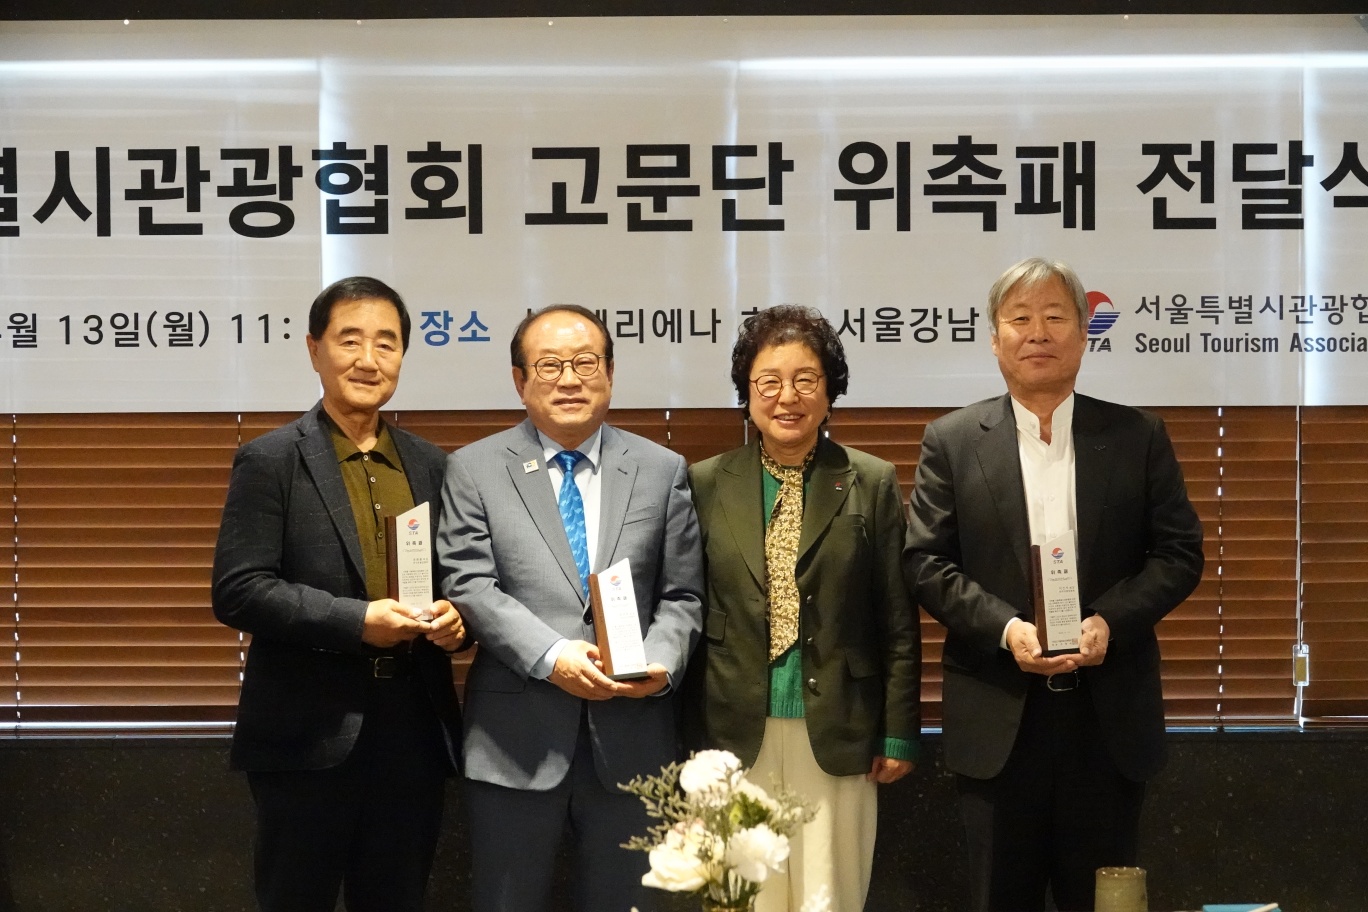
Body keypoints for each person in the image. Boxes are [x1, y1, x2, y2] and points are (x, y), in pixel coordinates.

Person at [903, 258, 1204, 912]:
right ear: (995, 339)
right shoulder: (952, 441)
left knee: (1102, 901)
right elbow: (926, 563)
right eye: (1020, 319)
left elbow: (1179, 554)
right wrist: (1007, 629)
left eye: (1054, 317)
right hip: (999, 718)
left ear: (1084, 333)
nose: (1037, 332)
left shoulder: (1136, 436)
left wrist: (1109, 621)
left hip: (1106, 720)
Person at [434, 303, 704, 912]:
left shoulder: (661, 470)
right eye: (550, 365)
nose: (569, 379)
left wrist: (660, 663)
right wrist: (552, 655)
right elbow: (470, 583)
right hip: (514, 745)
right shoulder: (474, 468)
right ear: (519, 380)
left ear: (610, 373)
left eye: (585, 362)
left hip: (633, 739)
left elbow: (683, 594)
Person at [211, 276, 465, 912]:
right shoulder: (271, 460)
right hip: (306, 733)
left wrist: (457, 621)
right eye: (349, 340)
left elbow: (458, 581)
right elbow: (239, 589)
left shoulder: (434, 465)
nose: (368, 360)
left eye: (387, 343)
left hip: (413, 729)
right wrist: (357, 621)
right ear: (313, 350)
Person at [685, 305, 921, 912]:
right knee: (744, 896)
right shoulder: (706, 482)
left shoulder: (869, 479)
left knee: (827, 895)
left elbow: (896, 619)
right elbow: (689, 610)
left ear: (830, 389)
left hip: (841, 725)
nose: (787, 397)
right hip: (734, 727)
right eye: (768, 381)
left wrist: (897, 732)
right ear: (746, 393)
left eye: (805, 380)